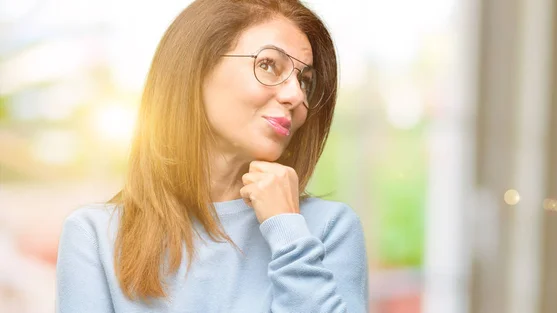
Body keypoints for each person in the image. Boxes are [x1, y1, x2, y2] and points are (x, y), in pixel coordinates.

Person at [55, 0, 369, 312]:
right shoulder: (94, 236)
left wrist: (287, 231)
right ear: (196, 68)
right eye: (268, 65)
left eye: (305, 81)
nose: (295, 96)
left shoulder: (327, 229)